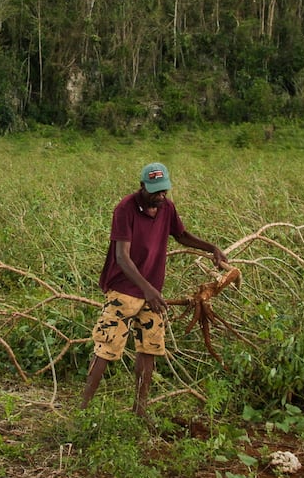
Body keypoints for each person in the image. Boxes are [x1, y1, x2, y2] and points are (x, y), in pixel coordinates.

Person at [80, 162, 228, 418]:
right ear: (142, 187)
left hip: (152, 291)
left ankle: (140, 410)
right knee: (106, 346)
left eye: (164, 191)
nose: (160, 197)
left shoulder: (166, 207)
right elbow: (122, 258)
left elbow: (181, 235)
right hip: (124, 290)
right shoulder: (125, 209)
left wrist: (211, 247)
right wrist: (147, 289)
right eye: (155, 192)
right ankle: (81, 411)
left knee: (150, 348)